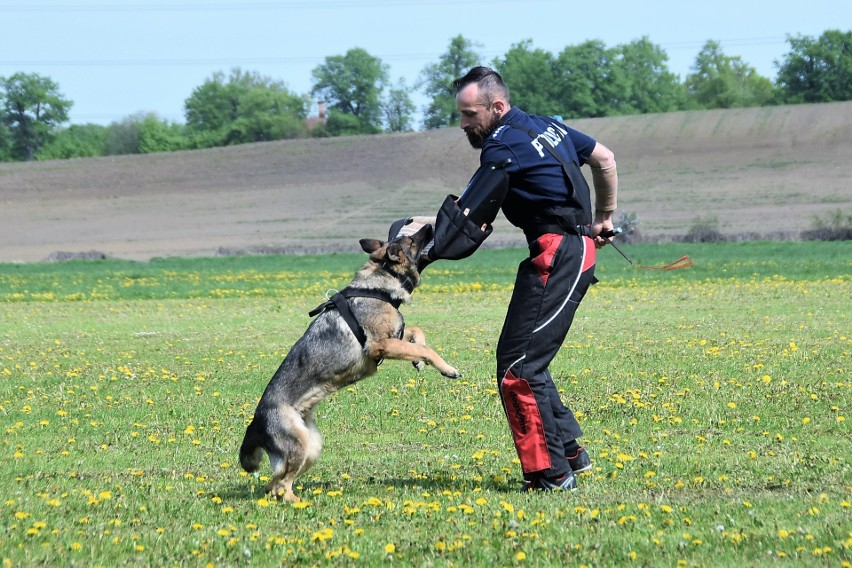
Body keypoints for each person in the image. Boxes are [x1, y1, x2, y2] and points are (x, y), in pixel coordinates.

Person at [398, 66, 619, 492]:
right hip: (574, 249)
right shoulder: (546, 126)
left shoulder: (501, 149)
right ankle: (569, 452)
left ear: (496, 107)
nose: (463, 124)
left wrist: (417, 245)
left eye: (469, 114)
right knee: (526, 357)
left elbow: (464, 219)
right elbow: (605, 159)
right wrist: (603, 218)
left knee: (518, 367)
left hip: (557, 255)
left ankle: (550, 476)